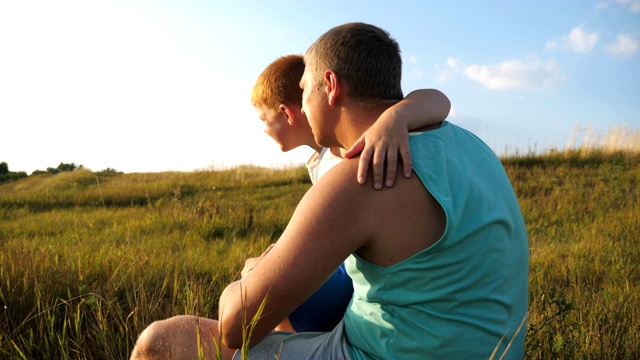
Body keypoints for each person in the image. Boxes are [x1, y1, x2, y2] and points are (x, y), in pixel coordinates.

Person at [131, 22, 528, 360]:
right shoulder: (471, 146)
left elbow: (238, 324)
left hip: (377, 352)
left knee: (162, 342)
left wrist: (250, 274)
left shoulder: (362, 177)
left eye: (304, 89)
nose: (301, 102)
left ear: (330, 86)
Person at [250, 54, 451, 334]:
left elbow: (438, 99)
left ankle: (289, 342)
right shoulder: (323, 157)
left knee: (254, 283)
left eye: (264, 118)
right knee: (260, 278)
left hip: (354, 278)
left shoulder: (348, 147)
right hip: (349, 267)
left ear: (286, 113)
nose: (263, 129)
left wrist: (395, 117)